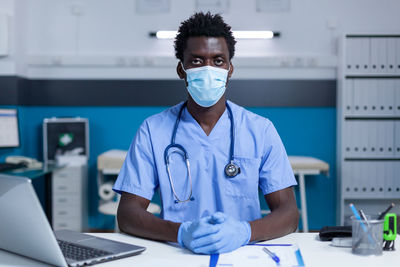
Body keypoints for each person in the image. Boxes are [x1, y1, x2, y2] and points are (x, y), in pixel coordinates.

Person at [113, 12, 299, 254]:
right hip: (179, 252)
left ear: (230, 69)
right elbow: (127, 214)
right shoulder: (153, 131)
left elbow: (289, 214)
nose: (208, 69)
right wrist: (180, 232)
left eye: (218, 61)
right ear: (181, 69)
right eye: (197, 61)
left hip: (244, 253)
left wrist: (245, 232)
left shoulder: (259, 130)